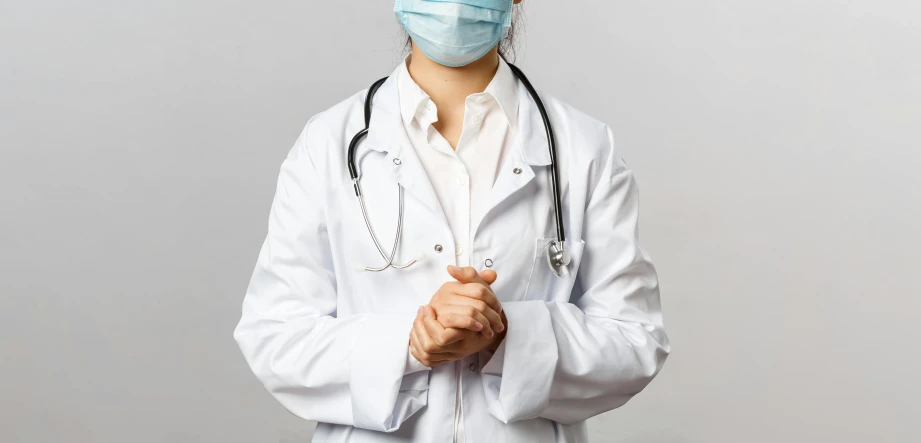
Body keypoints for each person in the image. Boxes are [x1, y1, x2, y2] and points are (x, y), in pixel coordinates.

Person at [233, 1, 670, 442]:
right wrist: (409, 342)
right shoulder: (327, 144)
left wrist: (507, 336)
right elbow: (275, 338)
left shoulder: (583, 149)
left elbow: (636, 341)